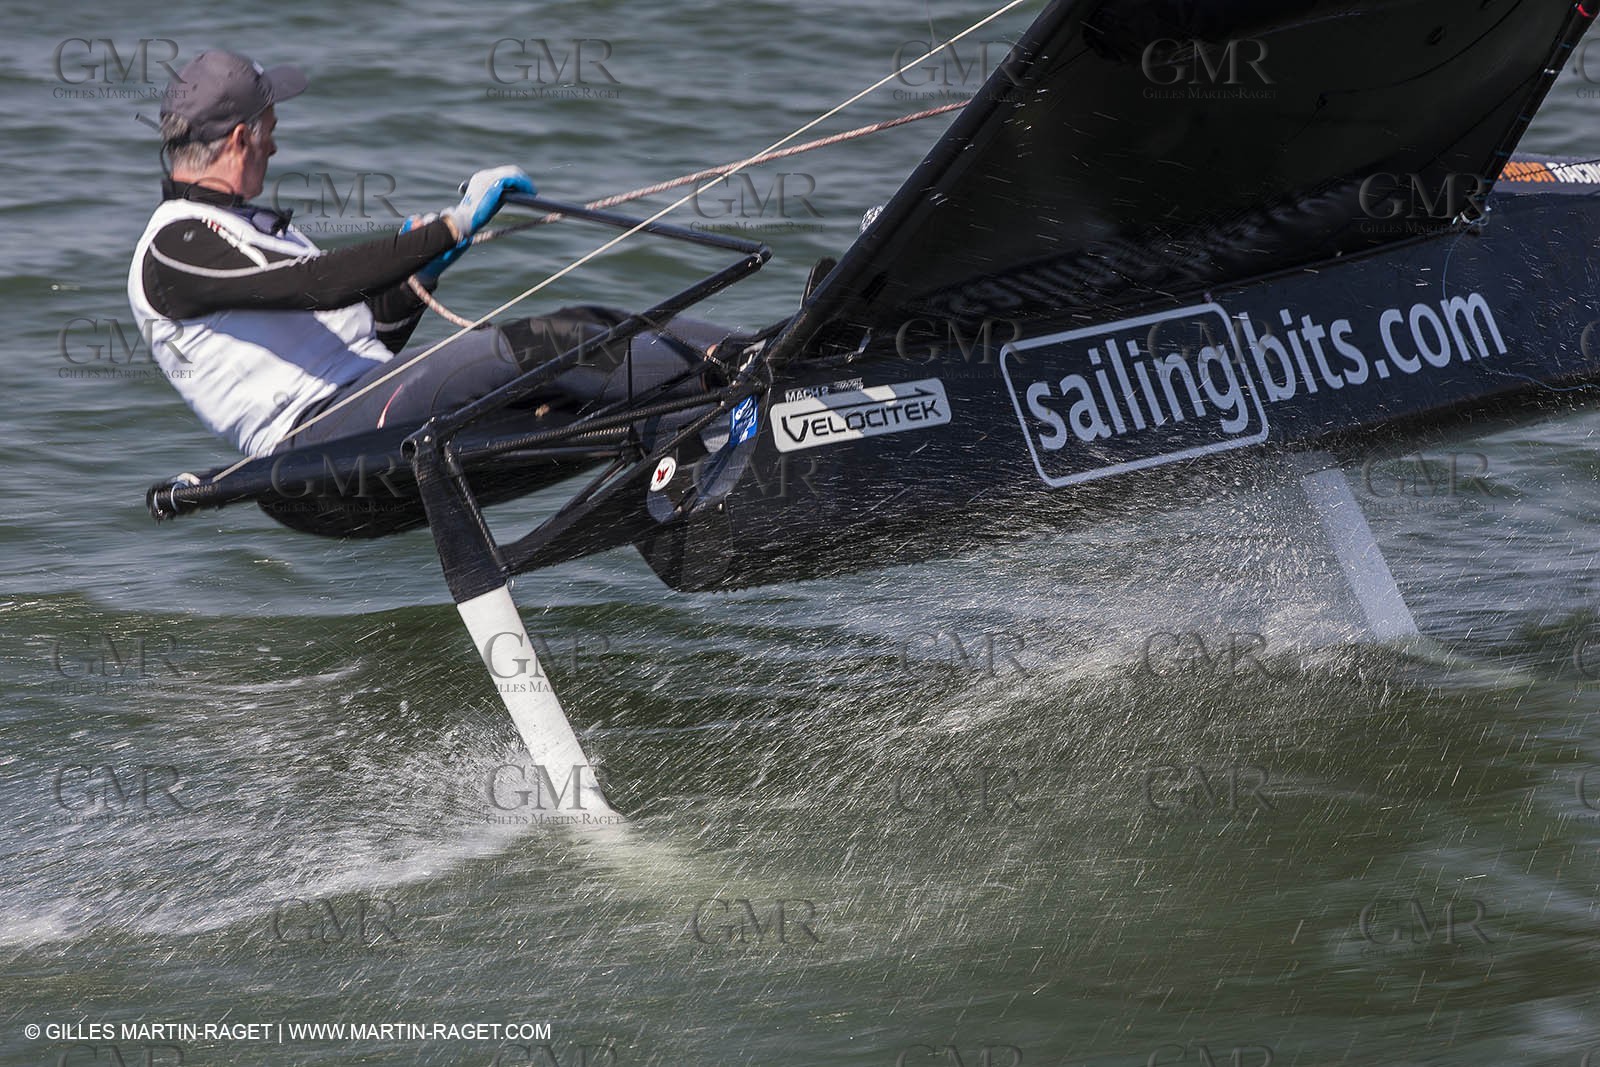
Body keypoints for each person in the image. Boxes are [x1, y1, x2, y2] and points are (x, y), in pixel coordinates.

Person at [128, 49, 721, 459]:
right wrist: (448, 226)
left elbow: (366, 340)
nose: (275, 145)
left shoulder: (244, 230)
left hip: (365, 406)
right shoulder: (176, 244)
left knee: (595, 325)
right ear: (241, 138)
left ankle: (740, 363)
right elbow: (324, 282)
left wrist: (424, 271)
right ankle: (739, 372)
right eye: (271, 128)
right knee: (550, 341)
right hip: (315, 442)